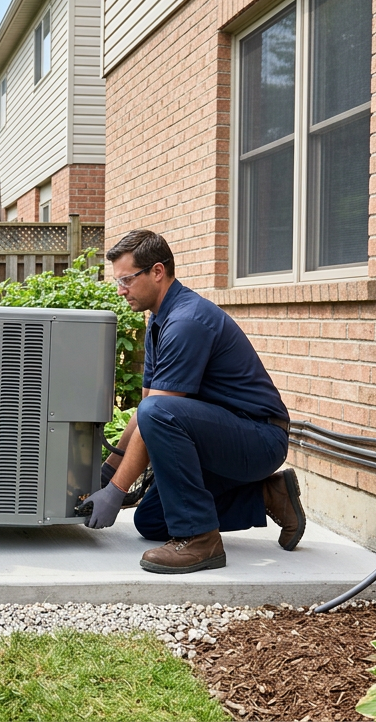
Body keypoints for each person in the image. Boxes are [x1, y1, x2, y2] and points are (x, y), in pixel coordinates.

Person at [77, 230, 305, 573]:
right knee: (151, 522)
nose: (120, 290)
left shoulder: (186, 322)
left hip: (258, 438)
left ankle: (201, 540)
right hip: (221, 437)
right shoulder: (159, 319)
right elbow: (144, 414)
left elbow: (158, 414)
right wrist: (106, 476)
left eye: (126, 279)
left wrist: (116, 489)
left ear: (157, 272)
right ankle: (269, 496)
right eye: (118, 281)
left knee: (160, 413)